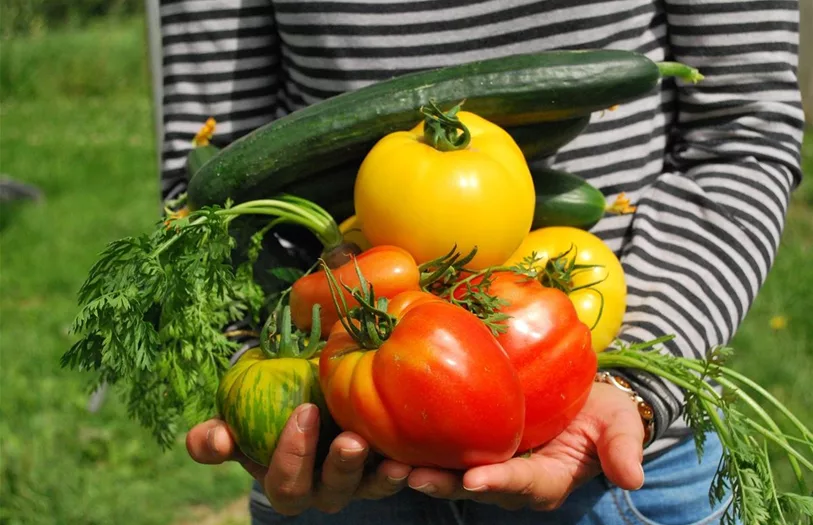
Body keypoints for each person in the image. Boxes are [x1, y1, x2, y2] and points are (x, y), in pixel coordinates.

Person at [157, 1, 806, 523]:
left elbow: (741, 137)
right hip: (332, 428)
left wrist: (632, 385)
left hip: (619, 458)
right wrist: (254, 369)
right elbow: (208, 184)